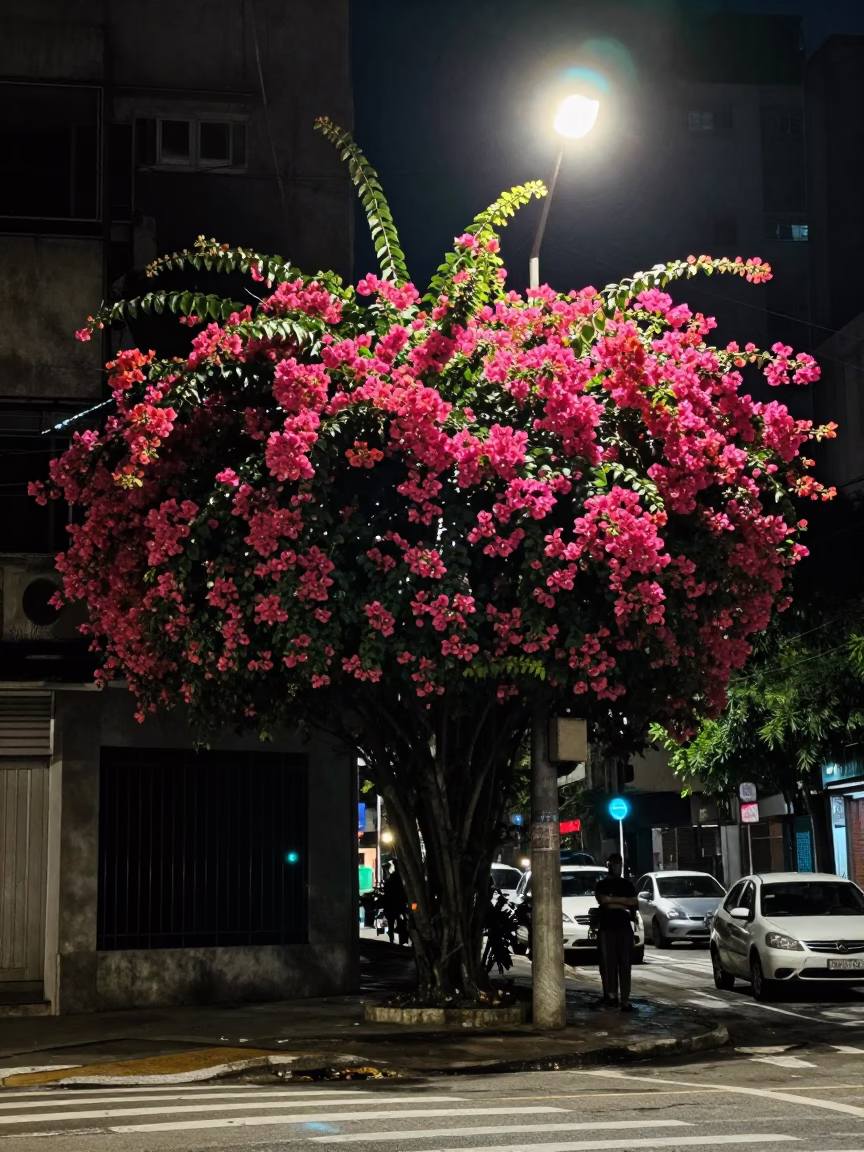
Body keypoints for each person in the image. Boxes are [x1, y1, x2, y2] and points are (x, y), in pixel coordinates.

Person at [595, 852, 638, 1012]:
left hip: (624, 928)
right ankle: (611, 995)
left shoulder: (627, 885)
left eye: (619, 863)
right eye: (614, 864)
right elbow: (603, 901)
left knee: (625, 964)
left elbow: (634, 903)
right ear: (609, 865)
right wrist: (624, 903)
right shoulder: (602, 885)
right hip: (607, 928)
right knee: (608, 963)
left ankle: (624, 999)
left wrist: (613, 901)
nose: (616, 867)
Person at [382, 861, 407, 944]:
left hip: (391, 906)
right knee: (401, 923)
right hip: (400, 906)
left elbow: (386, 894)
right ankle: (401, 941)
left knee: (391, 924)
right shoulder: (401, 880)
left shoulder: (389, 881)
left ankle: (392, 940)